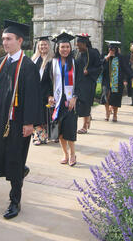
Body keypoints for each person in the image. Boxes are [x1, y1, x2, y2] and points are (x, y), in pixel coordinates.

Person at [0, 20, 41, 220]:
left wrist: (29, 123)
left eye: (8, 39)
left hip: (19, 123)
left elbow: (34, 97)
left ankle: (15, 200)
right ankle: (20, 171)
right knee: (4, 155)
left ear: (20, 41)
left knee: (15, 160)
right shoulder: (0, 63)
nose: (5, 42)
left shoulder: (28, 66)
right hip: (1, 120)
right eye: (3, 39)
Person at [42, 32, 82, 166]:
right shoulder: (51, 63)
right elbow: (45, 83)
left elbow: (80, 82)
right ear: (57, 49)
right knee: (59, 132)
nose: (65, 49)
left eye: (67, 47)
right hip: (57, 102)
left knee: (69, 130)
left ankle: (72, 154)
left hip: (70, 103)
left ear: (70, 48)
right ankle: (64, 154)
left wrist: (75, 97)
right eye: (62, 47)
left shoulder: (76, 64)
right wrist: (49, 96)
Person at [74, 33, 101, 134]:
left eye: (78, 44)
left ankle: (84, 126)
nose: (77, 46)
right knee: (78, 103)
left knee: (85, 103)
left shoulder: (94, 53)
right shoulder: (76, 53)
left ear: (84, 43)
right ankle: (87, 117)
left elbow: (99, 67)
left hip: (88, 82)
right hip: (77, 81)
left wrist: (89, 71)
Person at [101, 41, 132, 122]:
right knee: (106, 95)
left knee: (116, 98)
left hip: (117, 81)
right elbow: (100, 67)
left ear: (116, 49)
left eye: (113, 48)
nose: (111, 50)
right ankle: (107, 113)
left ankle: (115, 114)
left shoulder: (120, 58)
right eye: (110, 48)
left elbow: (126, 68)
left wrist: (130, 77)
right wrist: (106, 58)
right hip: (106, 80)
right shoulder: (104, 57)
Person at [31, 35, 53, 145]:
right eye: (41, 45)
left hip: (46, 92)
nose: (43, 47)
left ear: (49, 46)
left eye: (45, 45)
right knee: (35, 114)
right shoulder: (34, 59)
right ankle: (38, 136)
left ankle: (42, 136)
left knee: (44, 115)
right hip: (34, 92)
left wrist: (50, 94)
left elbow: (52, 80)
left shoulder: (52, 59)